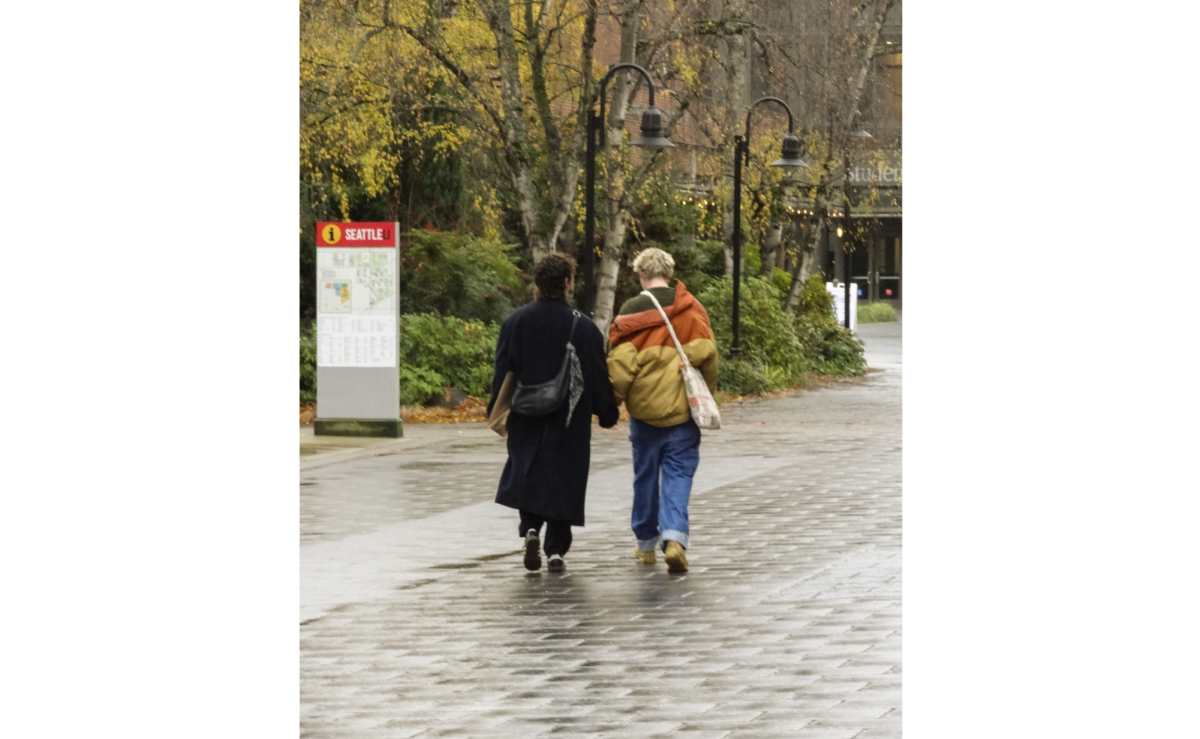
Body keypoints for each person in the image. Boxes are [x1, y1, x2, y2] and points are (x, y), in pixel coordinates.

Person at [487, 254, 619, 572]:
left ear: (536, 283)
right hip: (569, 418)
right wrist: (607, 412)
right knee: (564, 479)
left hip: (526, 414)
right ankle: (556, 549)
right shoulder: (585, 327)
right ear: (566, 283)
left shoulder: (515, 322)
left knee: (529, 472)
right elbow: (597, 375)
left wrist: (496, 410)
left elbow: (503, 370)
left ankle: (531, 528)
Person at [607, 248, 718, 573]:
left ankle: (644, 545)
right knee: (679, 473)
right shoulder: (690, 308)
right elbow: (708, 355)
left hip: (644, 414)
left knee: (645, 475)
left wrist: (612, 401)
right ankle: (674, 538)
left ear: (641, 274)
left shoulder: (630, 310)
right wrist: (706, 393)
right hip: (683, 411)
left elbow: (621, 367)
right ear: (669, 273)